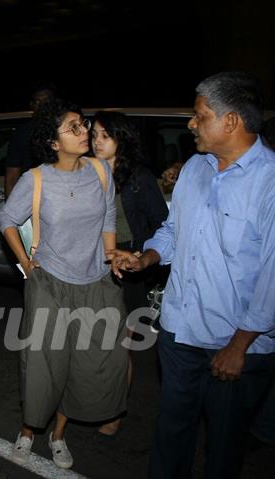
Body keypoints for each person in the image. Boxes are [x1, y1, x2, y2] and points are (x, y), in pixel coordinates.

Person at [109, 71, 275, 479]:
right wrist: (148, 257)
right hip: (180, 332)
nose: (190, 124)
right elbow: (172, 230)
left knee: (223, 446)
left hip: (234, 344)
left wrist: (239, 345)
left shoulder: (269, 182)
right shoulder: (195, 170)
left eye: (199, 115)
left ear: (231, 121)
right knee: (171, 435)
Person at [0, 98, 129, 468]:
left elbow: (107, 220)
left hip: (96, 282)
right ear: (54, 142)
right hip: (50, 283)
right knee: (44, 364)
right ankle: (28, 431)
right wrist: (25, 262)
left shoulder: (101, 172)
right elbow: (7, 218)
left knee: (89, 363)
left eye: (83, 124)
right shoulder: (36, 179)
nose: (84, 131)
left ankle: (58, 435)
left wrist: (112, 255)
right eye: (73, 127)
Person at [90, 112, 170, 436]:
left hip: (124, 265)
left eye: (104, 136)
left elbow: (163, 224)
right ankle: (94, 398)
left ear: (121, 139)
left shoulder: (137, 178)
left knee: (119, 343)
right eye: (93, 134)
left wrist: (139, 255)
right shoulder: (85, 173)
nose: (97, 141)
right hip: (90, 262)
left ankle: (114, 411)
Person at [4, 84, 57, 197]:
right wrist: (12, 208)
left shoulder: (65, 129)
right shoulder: (21, 133)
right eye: (38, 101)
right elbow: (12, 176)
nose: (43, 105)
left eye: (47, 101)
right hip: (33, 197)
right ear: (32, 105)